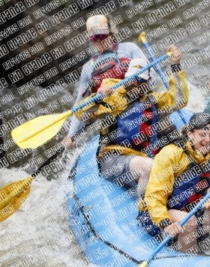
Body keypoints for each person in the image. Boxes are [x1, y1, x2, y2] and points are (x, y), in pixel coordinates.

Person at [72, 45, 187, 197]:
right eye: (131, 80)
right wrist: (97, 98)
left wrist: (175, 65)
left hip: (139, 155)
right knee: (148, 167)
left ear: (148, 82)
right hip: (113, 159)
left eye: (140, 82)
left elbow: (179, 100)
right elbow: (81, 114)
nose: (134, 85)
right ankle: (145, 210)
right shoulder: (113, 97)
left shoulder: (153, 100)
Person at [139, 113, 210, 253]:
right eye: (202, 134)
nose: (208, 140)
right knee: (189, 220)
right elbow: (156, 194)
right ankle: (185, 260)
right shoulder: (171, 153)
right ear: (190, 133)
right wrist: (165, 223)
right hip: (160, 215)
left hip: (191, 210)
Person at [62, 15, 155, 148]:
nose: (99, 41)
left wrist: (135, 86)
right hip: (114, 121)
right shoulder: (88, 69)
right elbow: (80, 105)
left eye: (102, 36)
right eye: (94, 37)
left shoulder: (129, 49)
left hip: (142, 107)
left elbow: (153, 78)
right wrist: (71, 135)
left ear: (110, 32)